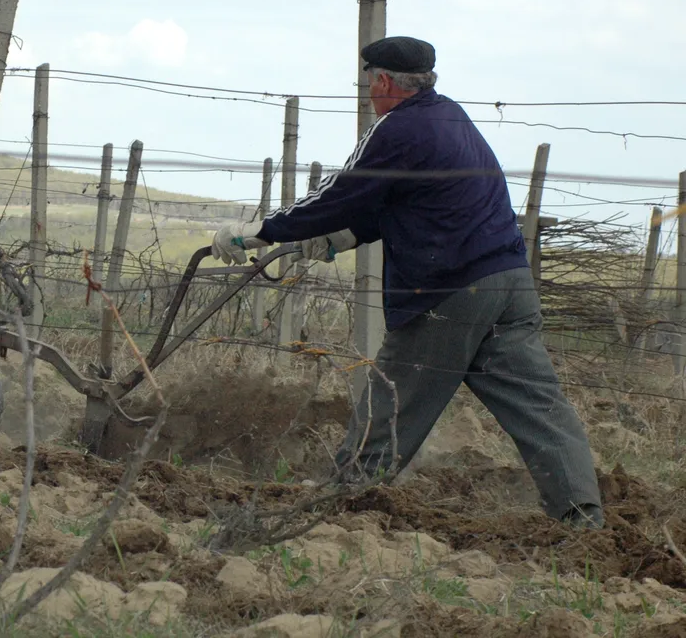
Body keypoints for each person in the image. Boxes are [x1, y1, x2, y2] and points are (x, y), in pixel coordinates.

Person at [211, 36, 604, 529]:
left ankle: (341, 504)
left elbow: (342, 194)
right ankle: (582, 516)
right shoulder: (450, 116)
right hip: (509, 281)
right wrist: (345, 236)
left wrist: (260, 230)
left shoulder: (397, 127)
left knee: (393, 399)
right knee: (539, 406)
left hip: (450, 288)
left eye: (366, 82)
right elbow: (409, 201)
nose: (366, 93)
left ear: (381, 80)